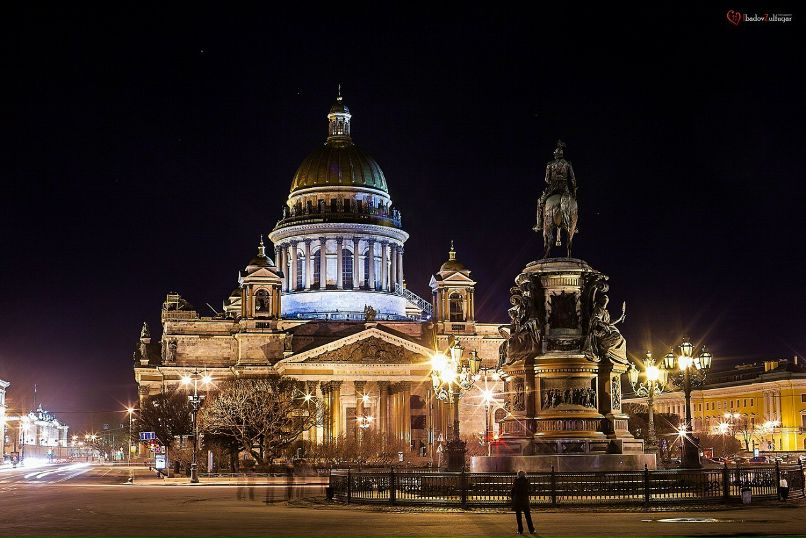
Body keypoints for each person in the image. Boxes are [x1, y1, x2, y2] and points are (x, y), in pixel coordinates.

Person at [511, 470, 535, 535]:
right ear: (524, 475)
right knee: (528, 516)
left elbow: (512, 491)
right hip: (524, 500)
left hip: (517, 501)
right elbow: (529, 491)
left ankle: (520, 530)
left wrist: (512, 498)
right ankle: (531, 530)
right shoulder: (526, 482)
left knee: (518, 517)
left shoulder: (515, 482)